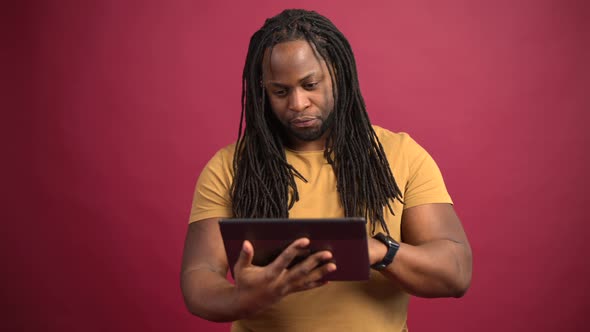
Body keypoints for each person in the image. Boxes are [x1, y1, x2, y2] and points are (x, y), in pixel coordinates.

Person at [181, 9, 472, 332]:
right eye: (280, 91)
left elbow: (455, 272)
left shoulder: (401, 155)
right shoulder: (230, 167)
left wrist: (378, 251)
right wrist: (247, 297)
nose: (298, 103)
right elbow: (198, 280)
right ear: (263, 90)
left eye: (310, 84)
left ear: (338, 74)